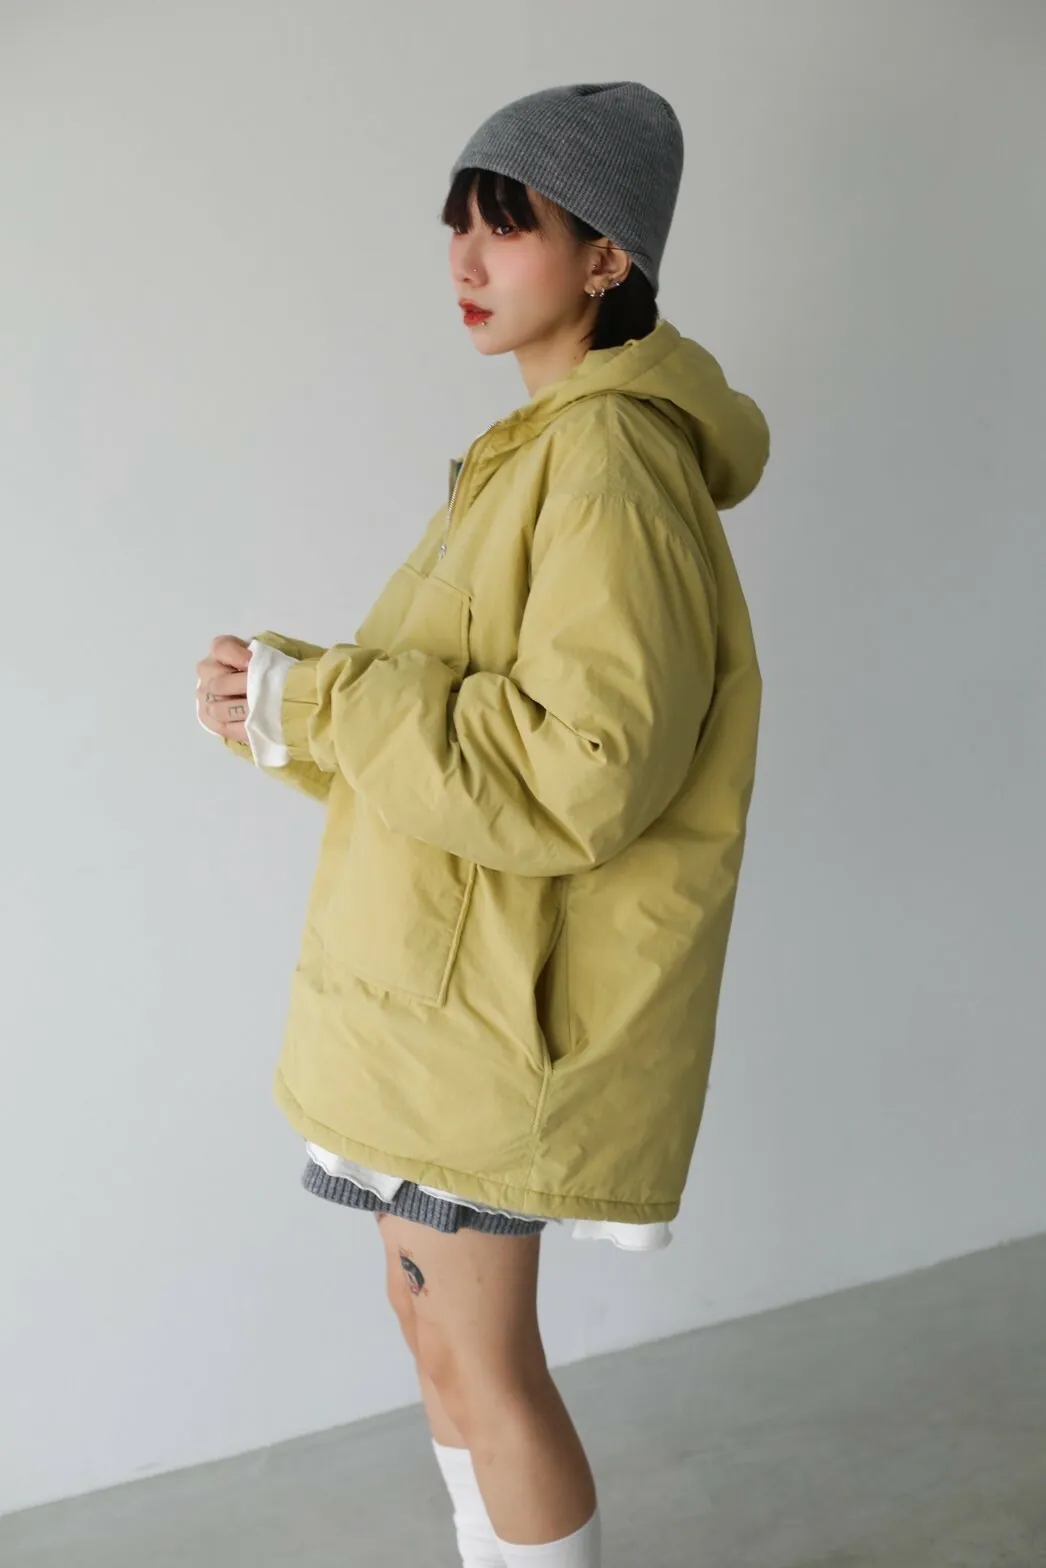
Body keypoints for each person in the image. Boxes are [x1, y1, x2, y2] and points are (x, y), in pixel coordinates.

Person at [196, 80, 769, 1568]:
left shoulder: (609, 462)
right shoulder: (534, 450)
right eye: (456, 220)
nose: (463, 257)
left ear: (607, 257)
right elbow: (452, 735)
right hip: (440, 999)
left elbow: (580, 770)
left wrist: (327, 701)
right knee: (433, 1329)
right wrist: (286, 707)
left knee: (486, 1362)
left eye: (507, 226)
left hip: (497, 1013)